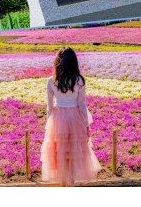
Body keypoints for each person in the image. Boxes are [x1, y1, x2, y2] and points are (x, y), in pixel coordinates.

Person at [40, 48, 101, 186]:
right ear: (74, 62)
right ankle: (71, 184)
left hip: (58, 119)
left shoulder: (51, 81)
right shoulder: (79, 80)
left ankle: (63, 184)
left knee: (59, 153)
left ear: (58, 62)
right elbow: (82, 105)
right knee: (73, 154)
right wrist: (86, 126)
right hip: (75, 118)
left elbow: (49, 107)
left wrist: (49, 125)